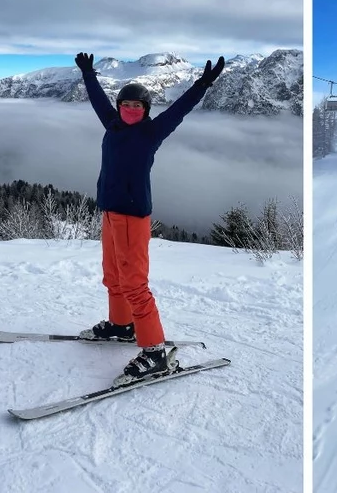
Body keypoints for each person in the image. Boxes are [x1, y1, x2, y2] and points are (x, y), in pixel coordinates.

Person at [73, 51, 225, 386]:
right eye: (125, 105)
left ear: (146, 111)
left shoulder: (151, 133)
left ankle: (155, 352)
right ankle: (120, 325)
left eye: (137, 107)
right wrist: (88, 74)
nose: (130, 110)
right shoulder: (111, 124)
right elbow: (98, 99)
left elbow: (180, 110)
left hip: (132, 217)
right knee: (113, 275)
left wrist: (202, 84)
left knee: (134, 283)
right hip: (110, 212)